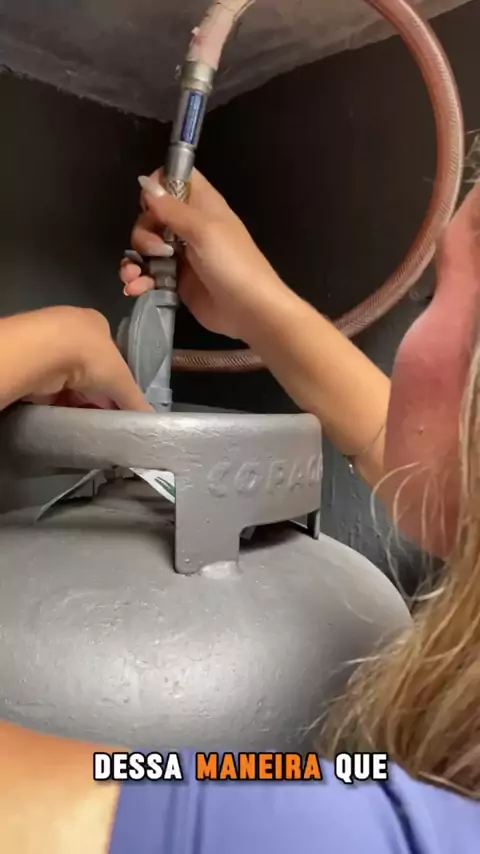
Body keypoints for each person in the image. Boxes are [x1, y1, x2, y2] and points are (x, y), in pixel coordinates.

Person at [2, 169, 480, 852]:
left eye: (437, 291)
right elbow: (431, 465)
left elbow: (111, 796)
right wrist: (254, 301)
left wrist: (48, 341)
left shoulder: (360, 833)